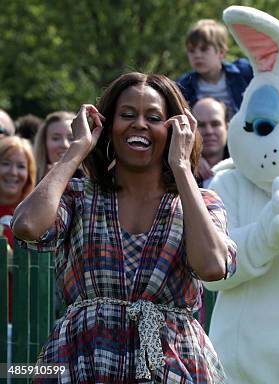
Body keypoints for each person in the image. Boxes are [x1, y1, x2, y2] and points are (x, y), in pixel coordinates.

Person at [11, 72, 236, 383]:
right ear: (108, 126)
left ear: (175, 129)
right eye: (127, 115)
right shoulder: (78, 196)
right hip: (82, 358)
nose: (139, 124)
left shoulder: (202, 203)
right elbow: (26, 227)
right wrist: (76, 149)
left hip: (172, 366)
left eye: (154, 117)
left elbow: (212, 267)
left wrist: (182, 167)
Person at [176, 19, 253, 117]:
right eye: (191, 50)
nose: (197, 55)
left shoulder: (244, 72)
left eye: (204, 49)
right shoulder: (183, 85)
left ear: (221, 52)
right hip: (205, 131)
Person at [0, 136, 36, 324]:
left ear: (29, 173)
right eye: (5, 163)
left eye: (21, 166)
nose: (13, 172)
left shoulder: (36, 215)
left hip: (23, 323)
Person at [33, 111, 80, 183]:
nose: (65, 145)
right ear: (44, 143)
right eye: (56, 138)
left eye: (71, 138)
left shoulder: (92, 185)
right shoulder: (29, 182)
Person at [192, 97, 229, 187]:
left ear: (227, 127)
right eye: (201, 125)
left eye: (215, 124)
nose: (209, 131)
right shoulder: (179, 170)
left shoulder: (243, 170)